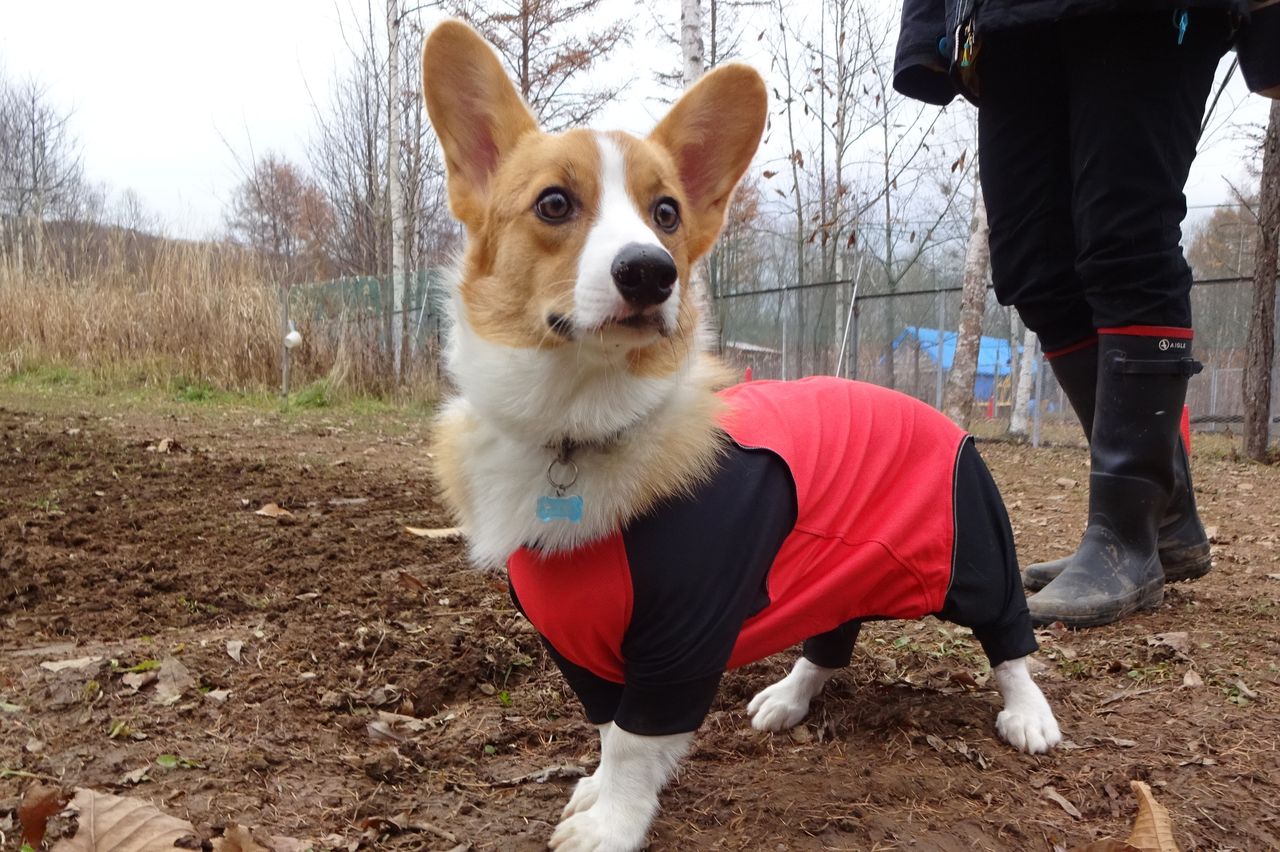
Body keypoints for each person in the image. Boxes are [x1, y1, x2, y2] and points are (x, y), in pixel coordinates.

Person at [892, 1, 1266, 627]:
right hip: (1004, 22)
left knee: (1126, 237)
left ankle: (1125, 537)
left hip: (1143, 13)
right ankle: (1168, 521)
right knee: (1032, 264)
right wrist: (925, 33)